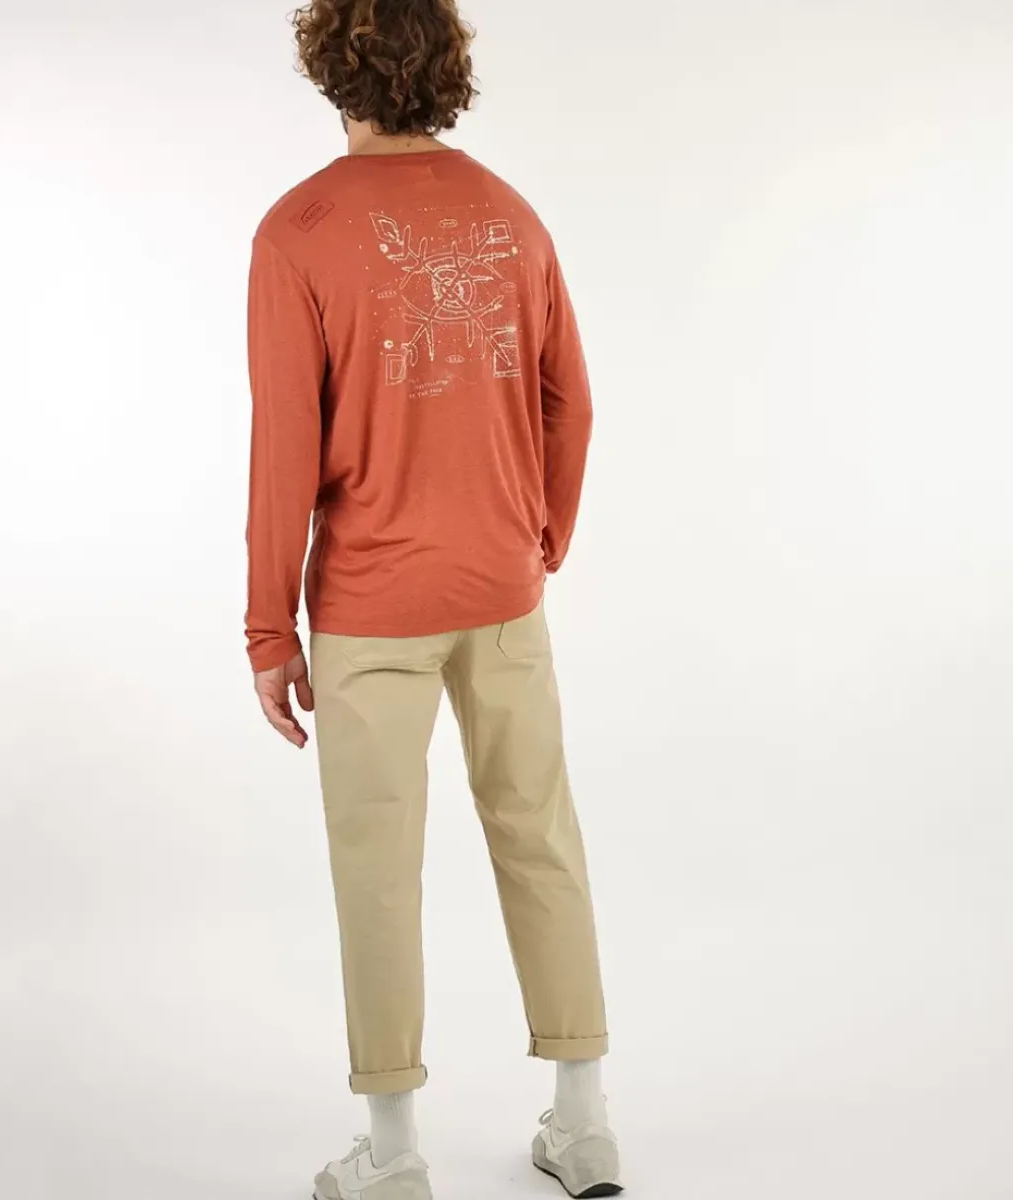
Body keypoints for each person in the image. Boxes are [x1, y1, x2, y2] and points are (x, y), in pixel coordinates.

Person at [244, 2, 621, 1196]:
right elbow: (571, 401)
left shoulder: (298, 232)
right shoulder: (513, 216)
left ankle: (395, 1155)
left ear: (329, 65)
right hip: (503, 589)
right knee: (539, 832)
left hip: (371, 608)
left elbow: (283, 451)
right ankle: (584, 1124)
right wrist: (545, 531)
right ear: (447, 69)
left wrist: (268, 627)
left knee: (377, 863)